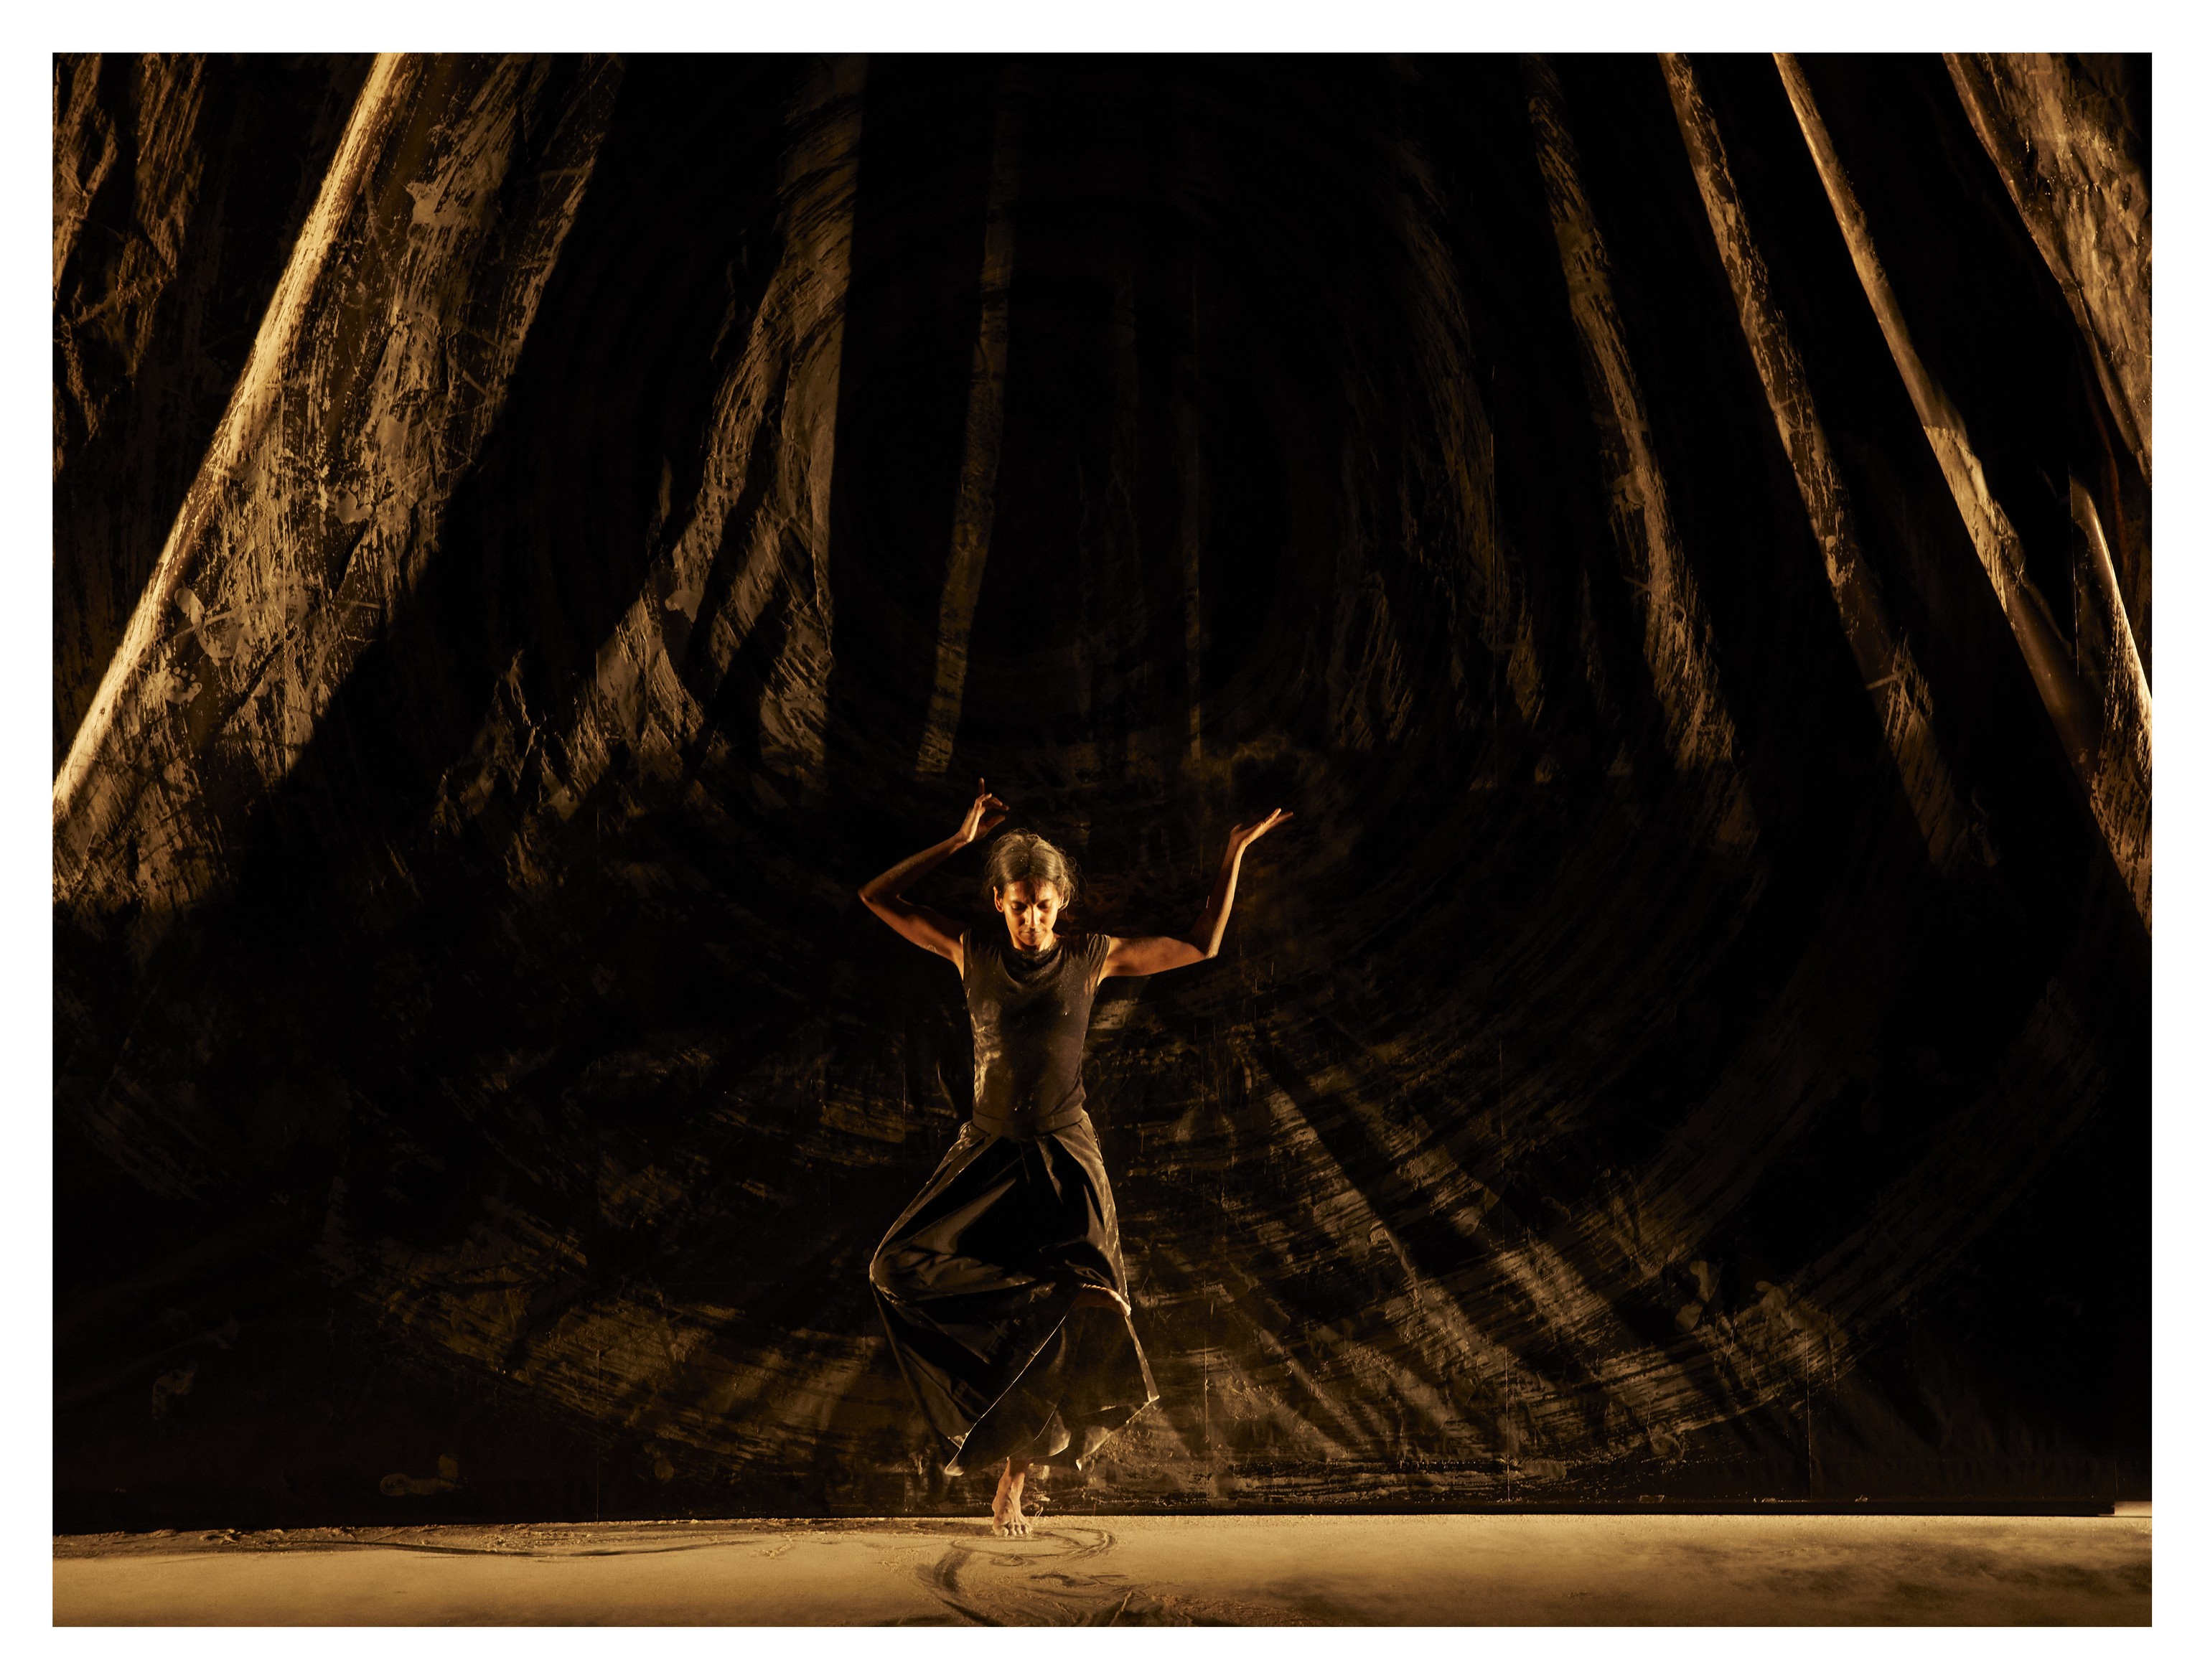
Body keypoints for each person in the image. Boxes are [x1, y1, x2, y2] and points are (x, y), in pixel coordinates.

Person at [859, 779, 1292, 1536]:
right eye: (1018, 907)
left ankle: (1014, 1482)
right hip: (987, 1151)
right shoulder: (971, 950)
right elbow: (877, 897)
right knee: (894, 1268)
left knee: (1081, 1321)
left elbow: (1202, 944)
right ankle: (1050, 1297)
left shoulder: (1092, 957)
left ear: (1062, 902)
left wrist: (1233, 854)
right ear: (999, 902)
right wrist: (958, 842)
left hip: (1063, 1153)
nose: (1031, 920)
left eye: (1042, 905)